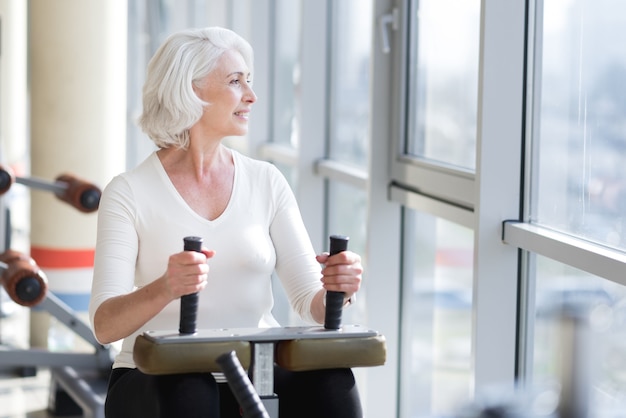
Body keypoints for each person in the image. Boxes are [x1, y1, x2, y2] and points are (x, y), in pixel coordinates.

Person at [88, 26, 363, 418]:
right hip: (153, 374)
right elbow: (105, 325)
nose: (251, 96)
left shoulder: (267, 181)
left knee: (333, 380)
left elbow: (310, 304)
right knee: (191, 386)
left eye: (248, 81)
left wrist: (340, 286)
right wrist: (166, 287)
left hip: (255, 370)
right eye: (236, 82)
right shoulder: (128, 192)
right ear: (191, 90)